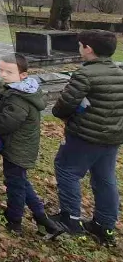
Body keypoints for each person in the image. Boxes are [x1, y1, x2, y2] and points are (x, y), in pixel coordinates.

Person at [50, 29, 123, 245]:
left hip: (84, 136)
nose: (79, 48)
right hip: (112, 137)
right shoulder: (119, 73)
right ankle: (105, 225)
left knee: (67, 171)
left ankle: (70, 219)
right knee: (105, 178)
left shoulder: (85, 74)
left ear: (88, 49)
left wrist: (63, 115)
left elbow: (64, 105)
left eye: (80, 45)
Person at [0, 54, 64, 237]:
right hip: (21, 146)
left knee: (15, 184)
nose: (4, 75)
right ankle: (43, 220)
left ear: (23, 75)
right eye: (1, 70)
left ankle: (14, 220)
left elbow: (7, 123)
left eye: (9, 72)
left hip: (18, 148)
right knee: (20, 181)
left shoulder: (19, 98)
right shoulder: (23, 91)